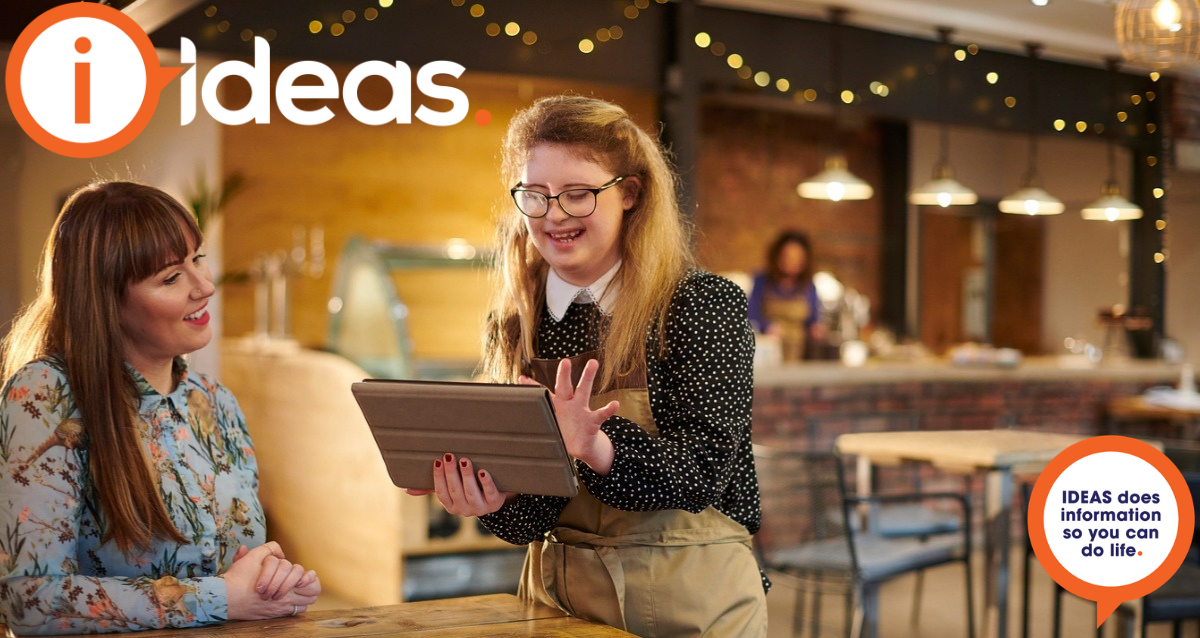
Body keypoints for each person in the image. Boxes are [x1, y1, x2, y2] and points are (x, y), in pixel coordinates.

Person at [409, 95, 768, 636]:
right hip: (557, 607)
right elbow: (531, 521)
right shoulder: (518, 322)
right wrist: (492, 498)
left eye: (578, 195)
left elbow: (702, 476)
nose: (554, 215)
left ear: (630, 193)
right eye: (536, 196)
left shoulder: (699, 304)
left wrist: (595, 445)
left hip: (689, 604)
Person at [0, 181, 321, 635]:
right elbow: (31, 600)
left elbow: (235, 574)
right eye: (171, 278)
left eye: (197, 259)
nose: (205, 286)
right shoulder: (45, 393)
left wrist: (272, 584)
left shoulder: (215, 402)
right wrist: (222, 597)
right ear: (106, 303)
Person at [748, 230, 823, 361]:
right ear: (778, 256)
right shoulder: (762, 281)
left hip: (799, 352)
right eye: (787, 256)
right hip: (768, 351)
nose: (792, 262)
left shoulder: (808, 285)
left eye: (797, 258)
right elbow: (750, 314)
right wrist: (766, 327)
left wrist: (815, 328)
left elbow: (813, 319)